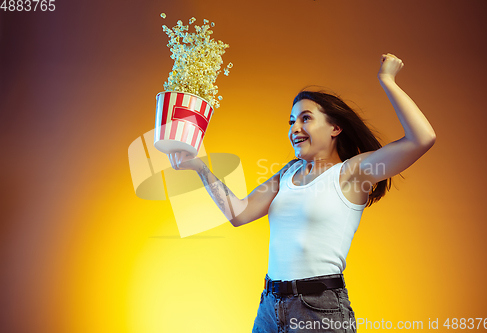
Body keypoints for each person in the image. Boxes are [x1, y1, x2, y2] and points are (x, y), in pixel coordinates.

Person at [166, 53, 436, 333]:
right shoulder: (287, 173)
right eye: (292, 121)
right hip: (270, 307)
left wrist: (387, 80)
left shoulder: (352, 173)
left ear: (335, 128)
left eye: (305, 119)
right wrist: (200, 168)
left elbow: (422, 138)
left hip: (319, 310)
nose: (295, 128)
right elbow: (239, 213)